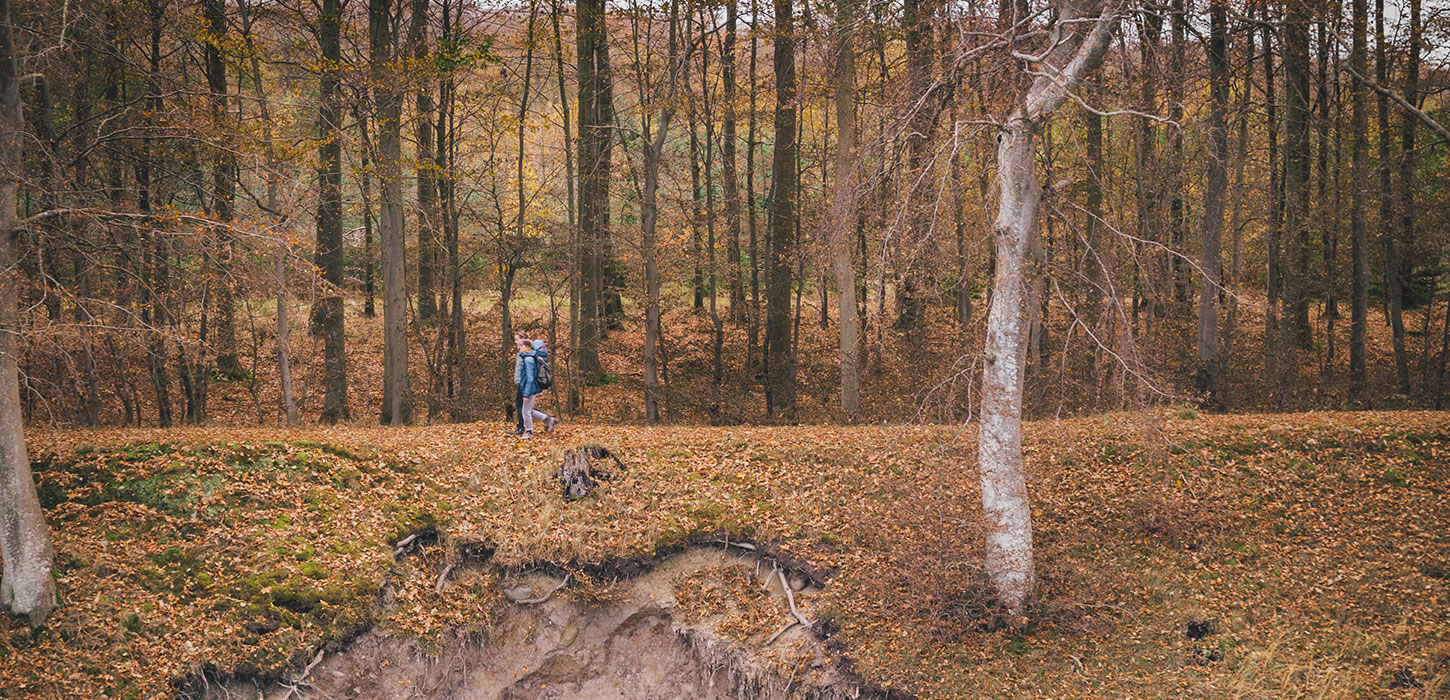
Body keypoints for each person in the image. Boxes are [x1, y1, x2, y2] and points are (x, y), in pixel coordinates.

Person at [517, 338, 557, 439]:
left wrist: (526, 393)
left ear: (527, 347)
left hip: (530, 388)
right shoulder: (529, 358)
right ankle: (548, 419)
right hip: (531, 388)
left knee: (525, 412)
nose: (519, 348)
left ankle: (528, 432)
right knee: (530, 410)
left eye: (521, 346)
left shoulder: (528, 360)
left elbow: (530, 378)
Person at [508, 332, 526, 435]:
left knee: (520, 403)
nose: (515, 341)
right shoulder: (519, 351)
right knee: (524, 405)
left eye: (517, 339)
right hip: (521, 380)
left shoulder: (525, 351)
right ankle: (547, 418)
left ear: (523, 339)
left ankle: (521, 427)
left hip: (523, 381)